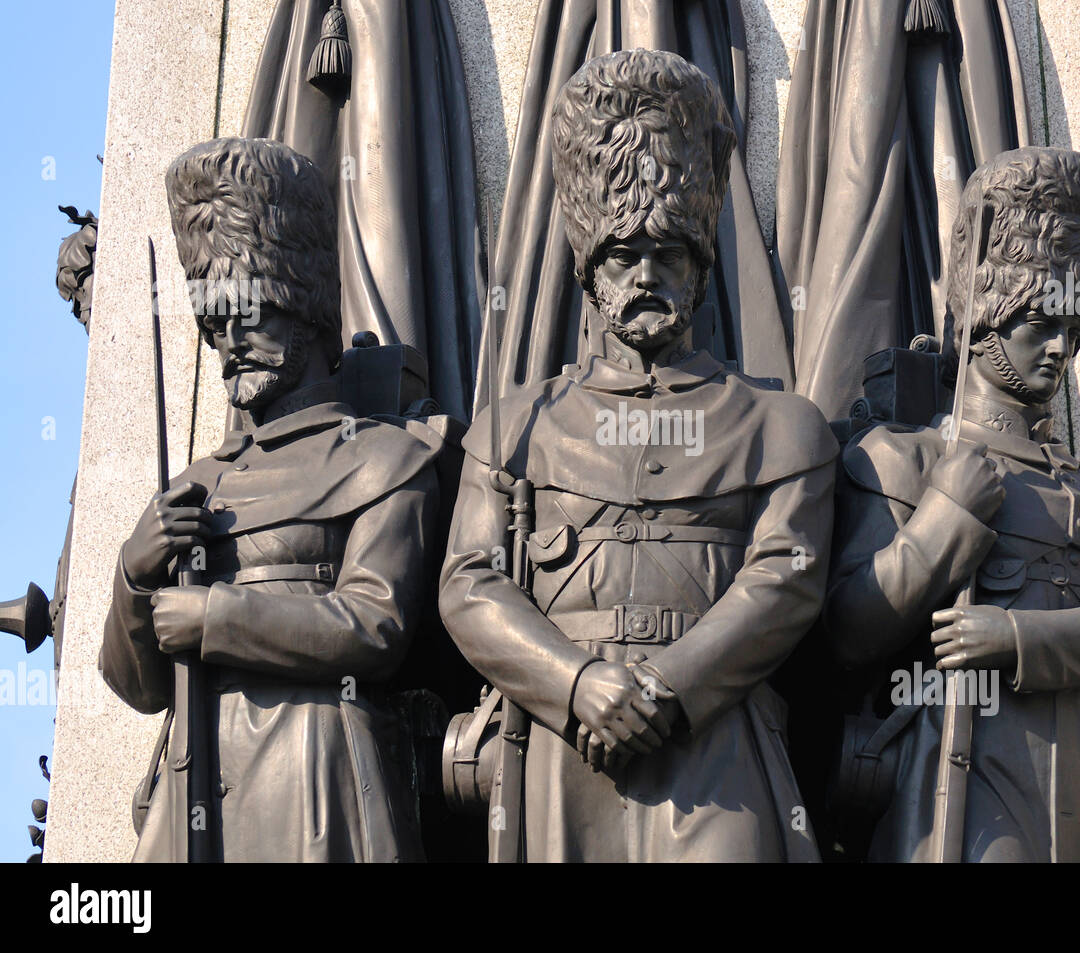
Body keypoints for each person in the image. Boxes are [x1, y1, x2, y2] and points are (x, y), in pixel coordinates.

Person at [439, 50, 838, 862]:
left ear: (701, 265)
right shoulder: (514, 428)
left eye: (671, 252)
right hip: (556, 748)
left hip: (719, 750)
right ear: (590, 269)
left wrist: (666, 687)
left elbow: (782, 582)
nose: (647, 273)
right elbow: (468, 582)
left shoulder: (780, 427)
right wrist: (580, 685)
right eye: (624, 254)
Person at [101, 137, 453, 862]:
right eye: (213, 325)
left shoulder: (386, 456)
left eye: (247, 315)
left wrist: (217, 616)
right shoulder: (200, 482)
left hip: (318, 778)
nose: (229, 343)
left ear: (302, 304)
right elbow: (139, 689)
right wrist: (135, 574)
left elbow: (373, 625)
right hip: (195, 791)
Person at [825, 147, 1080, 862]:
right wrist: (942, 523)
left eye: (1072, 333)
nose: (1058, 351)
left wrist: (1012, 639)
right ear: (988, 314)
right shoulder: (902, 459)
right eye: (1041, 325)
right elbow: (843, 633)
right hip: (964, 780)